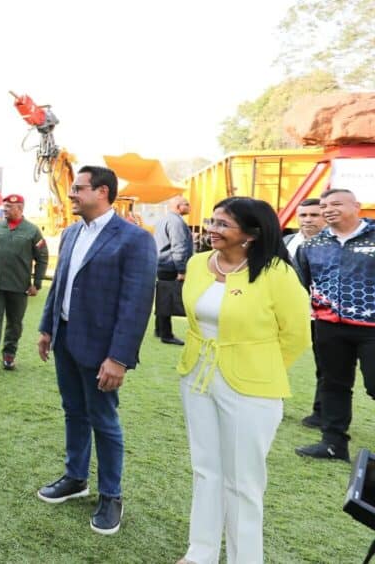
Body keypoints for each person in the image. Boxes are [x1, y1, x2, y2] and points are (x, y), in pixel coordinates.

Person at [175, 197, 309, 564]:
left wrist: (259, 365)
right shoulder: (198, 263)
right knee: (206, 470)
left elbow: (296, 334)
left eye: (222, 224)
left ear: (250, 235)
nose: (211, 230)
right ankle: (199, 553)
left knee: (244, 482)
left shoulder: (277, 274)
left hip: (253, 388)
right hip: (197, 377)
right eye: (211, 221)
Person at [36, 166, 156, 535]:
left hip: (102, 348)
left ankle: (111, 494)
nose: (71, 194)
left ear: (102, 192)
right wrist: (45, 327)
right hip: (66, 338)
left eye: (78, 188)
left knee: (103, 420)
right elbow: (59, 286)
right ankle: (76, 478)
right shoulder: (71, 233)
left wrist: (118, 358)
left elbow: (136, 304)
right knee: (74, 411)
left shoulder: (134, 239)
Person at [295, 188, 375, 461]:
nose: (328, 209)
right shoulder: (312, 245)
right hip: (329, 326)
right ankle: (333, 444)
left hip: (372, 329)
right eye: (325, 205)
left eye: (336, 204)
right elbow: (300, 284)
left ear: (357, 206)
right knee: (333, 384)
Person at [0, 193, 49, 372]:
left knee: (15, 323)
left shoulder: (32, 231)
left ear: (20, 209)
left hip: (19, 286)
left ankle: (9, 355)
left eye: (9, 207)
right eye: (4, 206)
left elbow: (42, 257)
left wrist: (36, 283)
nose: (4, 210)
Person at [283, 197, 326, 428]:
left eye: (314, 215)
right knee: (275, 359)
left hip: (321, 316)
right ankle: (271, 400)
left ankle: (322, 414)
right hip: (285, 315)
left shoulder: (333, 246)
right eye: (303, 215)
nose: (307, 219)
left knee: (327, 367)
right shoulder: (286, 242)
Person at [154, 195, 193, 346]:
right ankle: (166, 334)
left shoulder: (164, 219)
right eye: (187, 204)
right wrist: (182, 270)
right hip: (171, 265)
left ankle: (159, 329)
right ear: (178, 206)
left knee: (162, 297)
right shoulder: (176, 222)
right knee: (168, 301)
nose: (189, 207)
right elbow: (179, 247)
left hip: (163, 264)